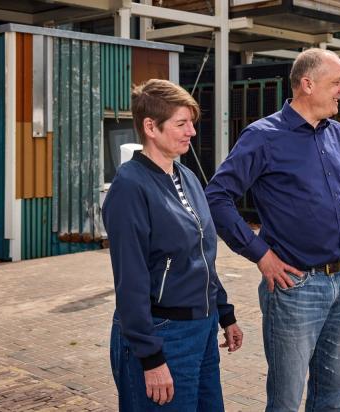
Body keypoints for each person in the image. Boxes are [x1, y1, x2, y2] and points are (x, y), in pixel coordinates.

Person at [205, 48, 340, 411]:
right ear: (307, 84)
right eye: (338, 82)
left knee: (332, 390)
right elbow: (217, 197)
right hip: (294, 287)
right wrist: (260, 254)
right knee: (285, 400)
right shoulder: (263, 136)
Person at [102, 79, 243, 411]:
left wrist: (224, 314)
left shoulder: (188, 177)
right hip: (163, 335)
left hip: (203, 330)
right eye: (181, 123)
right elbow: (130, 281)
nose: (191, 132)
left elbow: (200, 256)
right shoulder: (129, 187)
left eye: (191, 123)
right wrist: (151, 358)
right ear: (151, 126)